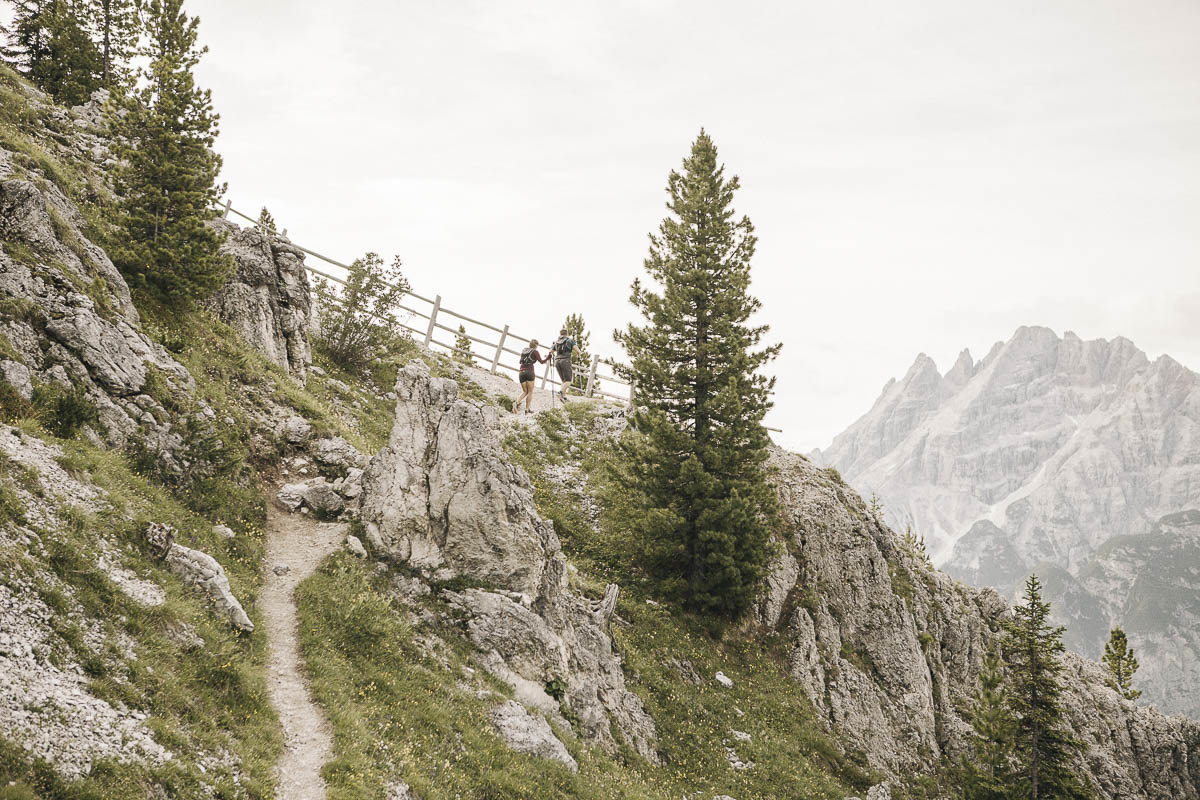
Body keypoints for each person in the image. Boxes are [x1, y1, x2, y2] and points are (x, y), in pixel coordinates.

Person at [513, 338, 549, 414]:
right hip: (529, 372)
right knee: (530, 392)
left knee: (525, 391)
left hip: (521, 372)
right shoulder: (535, 352)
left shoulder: (524, 350)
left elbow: (520, 361)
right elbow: (542, 362)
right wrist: (549, 357)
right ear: (536, 346)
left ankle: (516, 403)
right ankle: (527, 409)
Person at [549, 328, 579, 402]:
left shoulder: (556, 342)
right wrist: (579, 356)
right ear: (567, 333)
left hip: (557, 361)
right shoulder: (570, 340)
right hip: (565, 361)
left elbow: (550, 351)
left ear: (560, 334)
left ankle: (564, 397)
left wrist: (554, 356)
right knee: (569, 381)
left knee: (564, 381)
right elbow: (578, 351)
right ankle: (560, 392)